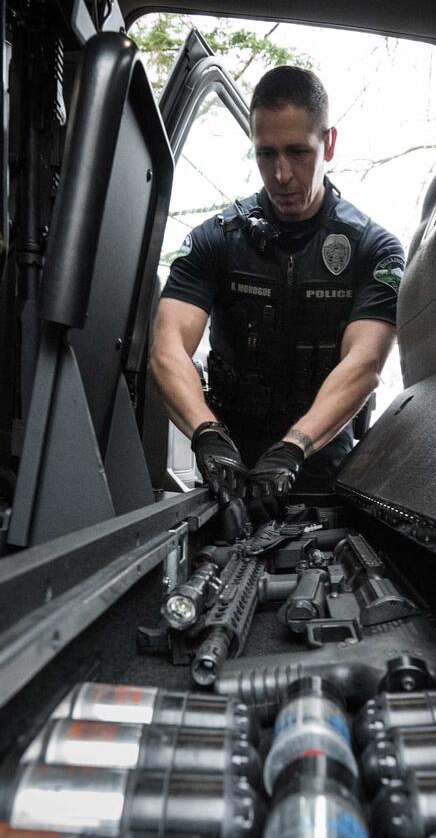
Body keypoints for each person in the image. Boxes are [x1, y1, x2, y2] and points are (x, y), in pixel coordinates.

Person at [149, 65, 403, 520]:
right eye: (265, 154)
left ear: (329, 144)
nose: (281, 174)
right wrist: (206, 435)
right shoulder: (216, 240)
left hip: (325, 476)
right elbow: (167, 349)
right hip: (228, 472)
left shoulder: (373, 248)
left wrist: (293, 448)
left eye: (297, 152)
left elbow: (365, 364)